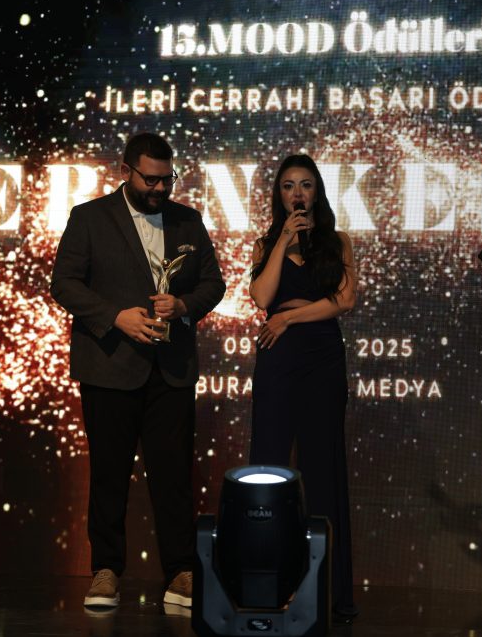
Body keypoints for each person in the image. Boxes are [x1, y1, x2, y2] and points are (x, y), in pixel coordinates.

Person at [50, 132, 225, 610]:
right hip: (109, 367)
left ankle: (181, 573)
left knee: (173, 477)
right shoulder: (89, 217)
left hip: (171, 371)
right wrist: (115, 317)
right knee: (108, 475)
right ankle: (106, 571)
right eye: (151, 179)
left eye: (167, 179)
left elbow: (213, 283)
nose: (160, 188)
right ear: (125, 171)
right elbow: (63, 283)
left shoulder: (188, 219)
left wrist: (183, 305)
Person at [248, 154, 358, 621]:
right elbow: (261, 297)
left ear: (317, 192)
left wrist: (289, 317)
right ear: (279, 194)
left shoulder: (338, 242)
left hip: (321, 358)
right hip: (278, 358)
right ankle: (267, 586)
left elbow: (344, 300)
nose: (297, 193)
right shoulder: (266, 244)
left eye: (306, 185)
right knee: (269, 468)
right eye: (289, 185)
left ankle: (328, 592)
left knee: (322, 469)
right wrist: (282, 241)